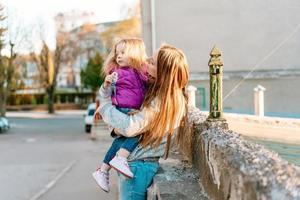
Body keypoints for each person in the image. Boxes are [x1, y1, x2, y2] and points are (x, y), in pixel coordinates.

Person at [95, 44, 190, 199]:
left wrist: (105, 107)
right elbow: (128, 126)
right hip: (136, 164)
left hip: (138, 166)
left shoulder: (163, 101)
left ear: (164, 73)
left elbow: (130, 127)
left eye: (152, 62)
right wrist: (115, 129)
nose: (146, 62)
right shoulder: (162, 95)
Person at [92, 38, 156, 193]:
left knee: (120, 142)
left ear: (135, 54)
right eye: (117, 53)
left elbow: (150, 81)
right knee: (137, 132)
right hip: (124, 109)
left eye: (123, 53)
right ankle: (120, 159)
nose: (118, 56)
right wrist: (106, 84)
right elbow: (105, 94)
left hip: (132, 109)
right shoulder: (116, 73)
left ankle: (103, 169)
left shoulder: (140, 71)